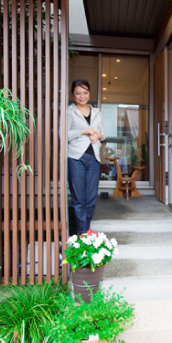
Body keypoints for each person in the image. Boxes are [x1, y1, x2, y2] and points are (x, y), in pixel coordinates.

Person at [67, 79, 106, 235]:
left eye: (85, 92)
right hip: (76, 158)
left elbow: (103, 134)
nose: (81, 96)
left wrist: (98, 135)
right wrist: (83, 131)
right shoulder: (69, 111)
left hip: (94, 158)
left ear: (89, 93)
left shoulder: (97, 112)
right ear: (73, 94)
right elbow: (63, 135)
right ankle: (83, 233)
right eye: (78, 93)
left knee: (91, 199)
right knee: (78, 199)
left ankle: (84, 230)